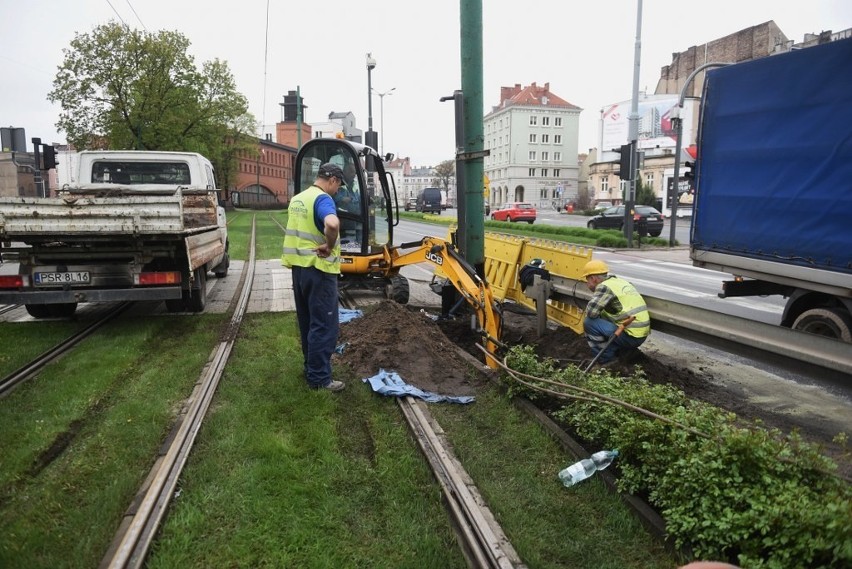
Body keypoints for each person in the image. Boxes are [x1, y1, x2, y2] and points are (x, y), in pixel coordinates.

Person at [281, 163, 345, 392]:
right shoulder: (323, 199)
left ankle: (311, 368)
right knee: (324, 325)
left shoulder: (298, 198)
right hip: (319, 270)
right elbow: (332, 223)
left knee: (307, 322)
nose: (337, 191)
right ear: (333, 180)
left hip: (299, 270)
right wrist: (328, 245)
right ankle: (319, 379)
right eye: (338, 186)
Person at [581, 259, 650, 365]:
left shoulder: (604, 287)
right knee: (602, 318)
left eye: (587, 280)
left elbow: (591, 313)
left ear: (593, 278)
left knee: (589, 323)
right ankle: (619, 351)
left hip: (630, 336)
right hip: (640, 334)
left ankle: (605, 360)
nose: (587, 283)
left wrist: (593, 292)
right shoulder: (620, 282)